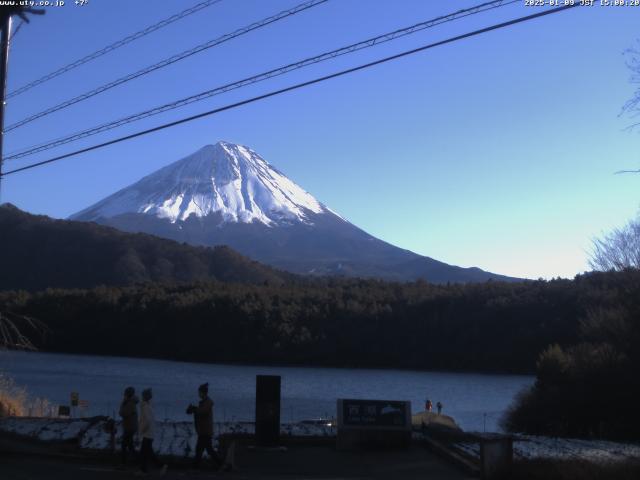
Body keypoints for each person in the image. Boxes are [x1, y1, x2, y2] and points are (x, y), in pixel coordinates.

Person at [186, 383, 223, 470]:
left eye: (199, 392)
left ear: (203, 392)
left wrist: (194, 409)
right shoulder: (204, 402)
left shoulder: (208, 402)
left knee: (200, 450)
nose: (198, 394)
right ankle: (221, 464)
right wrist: (194, 409)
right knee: (205, 450)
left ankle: (195, 468)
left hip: (205, 431)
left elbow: (202, 412)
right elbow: (201, 412)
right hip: (204, 431)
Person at [138, 388, 167, 476]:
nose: (142, 396)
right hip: (150, 433)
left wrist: (142, 430)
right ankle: (145, 470)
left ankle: (160, 466)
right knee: (147, 453)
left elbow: (147, 421)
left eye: (143, 395)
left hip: (147, 433)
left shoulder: (145, 407)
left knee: (146, 453)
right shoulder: (148, 405)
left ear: (145, 396)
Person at [118, 386, 138, 466]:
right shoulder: (130, 402)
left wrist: (123, 404)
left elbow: (123, 413)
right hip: (131, 426)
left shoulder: (130, 403)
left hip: (129, 427)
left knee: (124, 445)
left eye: (126, 393)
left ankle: (123, 464)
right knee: (130, 445)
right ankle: (136, 460)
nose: (124, 395)